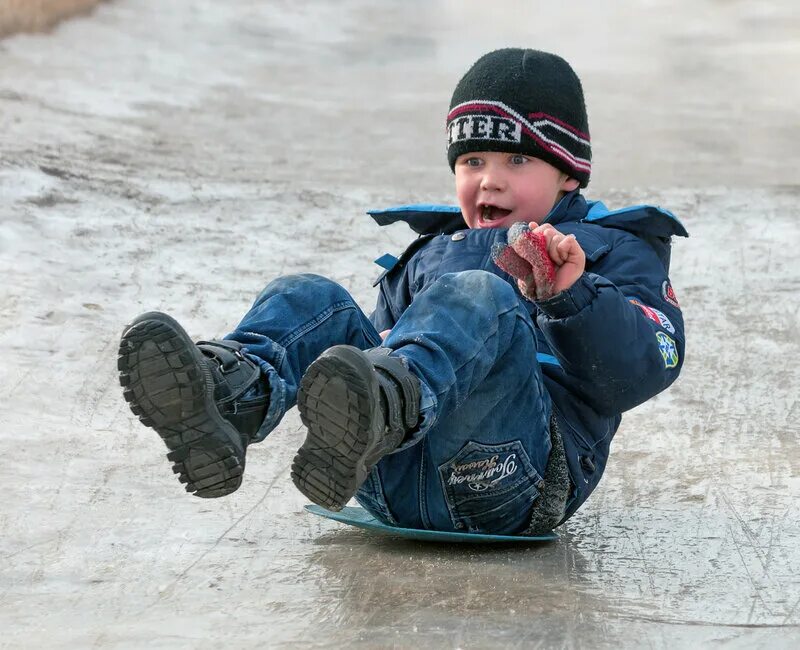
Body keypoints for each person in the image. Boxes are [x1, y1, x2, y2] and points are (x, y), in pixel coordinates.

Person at [118, 49, 687, 535]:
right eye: (472, 160)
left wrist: (572, 296)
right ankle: (230, 398)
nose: (489, 179)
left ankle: (393, 403)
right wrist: (378, 351)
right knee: (309, 297)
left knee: (479, 296)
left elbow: (646, 366)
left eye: (517, 160)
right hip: (381, 478)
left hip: (510, 477)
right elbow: (348, 367)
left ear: (568, 173)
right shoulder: (430, 252)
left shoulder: (614, 248)